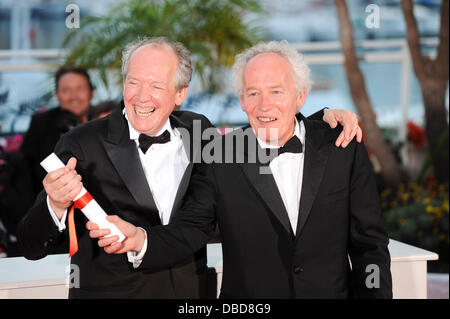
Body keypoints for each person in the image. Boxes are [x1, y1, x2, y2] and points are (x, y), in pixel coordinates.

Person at [18, 37, 362, 299]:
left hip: (192, 296)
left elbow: (271, 132)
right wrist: (55, 204)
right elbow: (31, 245)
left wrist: (323, 120)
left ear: (179, 93)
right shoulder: (81, 142)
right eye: (133, 82)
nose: (141, 96)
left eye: (156, 85)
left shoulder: (198, 130)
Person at [20, 66, 94, 197]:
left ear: (91, 92)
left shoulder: (104, 119)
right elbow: (25, 169)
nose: (73, 96)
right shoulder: (41, 123)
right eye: (66, 90)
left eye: (80, 89)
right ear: (57, 95)